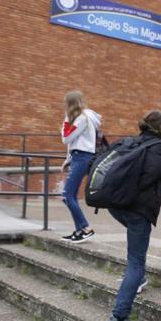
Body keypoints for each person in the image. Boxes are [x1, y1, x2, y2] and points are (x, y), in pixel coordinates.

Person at [105, 110, 161, 321]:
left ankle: (138, 279)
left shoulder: (129, 142)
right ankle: (119, 318)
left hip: (115, 205)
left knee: (135, 252)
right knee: (136, 261)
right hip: (138, 210)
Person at [60, 91, 102, 243]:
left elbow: (66, 138)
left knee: (68, 195)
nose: (64, 106)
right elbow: (73, 143)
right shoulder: (80, 118)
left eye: (66, 103)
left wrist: (66, 119)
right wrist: (68, 159)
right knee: (67, 196)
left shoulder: (83, 118)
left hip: (83, 157)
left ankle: (86, 228)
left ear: (71, 104)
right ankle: (79, 230)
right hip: (78, 156)